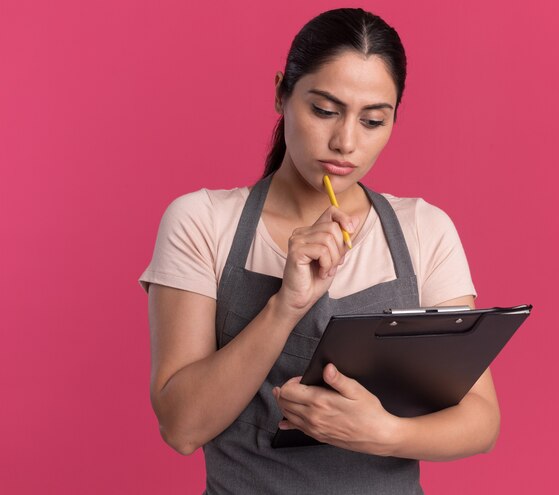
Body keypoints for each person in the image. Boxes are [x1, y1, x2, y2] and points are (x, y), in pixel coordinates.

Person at [139, 7, 500, 495]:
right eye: (325, 110)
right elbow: (182, 429)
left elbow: (481, 419)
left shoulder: (425, 231)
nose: (345, 142)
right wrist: (285, 306)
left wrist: (382, 433)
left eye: (373, 120)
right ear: (281, 93)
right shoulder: (202, 221)